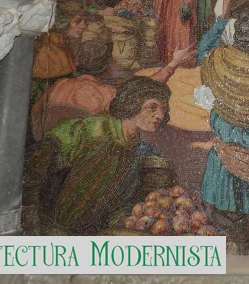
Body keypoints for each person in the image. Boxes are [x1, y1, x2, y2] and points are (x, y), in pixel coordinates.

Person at [22, 77, 173, 235]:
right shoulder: (91, 130)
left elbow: (114, 204)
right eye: (152, 107)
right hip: (47, 230)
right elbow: (34, 165)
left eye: (163, 110)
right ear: (133, 103)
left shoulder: (133, 151)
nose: (159, 115)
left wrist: (127, 221)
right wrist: (32, 225)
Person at [200, 13, 249, 254]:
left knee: (226, 225)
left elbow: (202, 49)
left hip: (222, 161)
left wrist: (221, 20)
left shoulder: (215, 60)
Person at [30, 1, 90, 111]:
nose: (83, 26)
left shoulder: (64, 44)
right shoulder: (47, 47)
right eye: (77, 21)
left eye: (85, 21)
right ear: (64, 21)